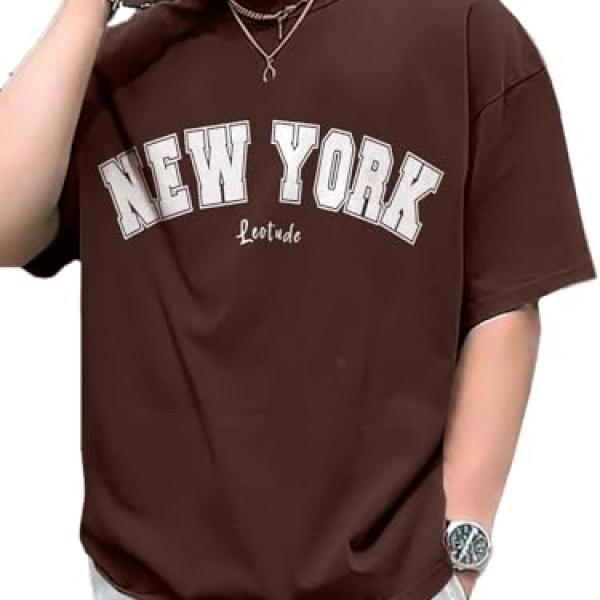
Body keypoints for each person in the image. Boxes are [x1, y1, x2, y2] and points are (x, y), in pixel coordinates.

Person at [0, 0, 595, 598]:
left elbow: (504, 300)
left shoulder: (461, 30)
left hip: (387, 584)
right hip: (145, 582)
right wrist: (86, 8)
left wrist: (462, 546)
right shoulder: (121, 62)